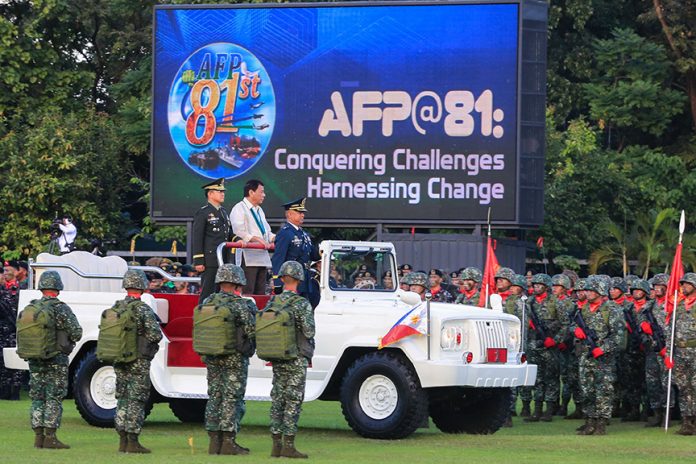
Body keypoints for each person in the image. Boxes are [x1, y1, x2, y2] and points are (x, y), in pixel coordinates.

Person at [16, 271, 82, 449]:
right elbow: (77, 332)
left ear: (42, 287)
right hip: (56, 359)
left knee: (38, 397)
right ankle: (51, 437)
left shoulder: (32, 308)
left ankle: (38, 438)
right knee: (53, 397)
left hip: (35, 358)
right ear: (58, 288)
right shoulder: (60, 308)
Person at [198, 264, 256, 455]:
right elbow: (251, 330)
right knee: (232, 398)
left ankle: (214, 443)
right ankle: (229, 442)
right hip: (234, 358)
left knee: (215, 396)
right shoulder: (240, 305)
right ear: (238, 282)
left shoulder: (207, 301)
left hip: (212, 356)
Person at [111, 270, 163, 453]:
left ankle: (122, 441)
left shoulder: (117, 307)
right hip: (138, 360)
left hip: (119, 358)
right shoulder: (142, 309)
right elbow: (156, 334)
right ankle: (132, 441)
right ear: (142, 287)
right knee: (136, 399)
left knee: (122, 398)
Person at [268, 261, 315, 458]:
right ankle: (288, 445)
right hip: (296, 357)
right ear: (298, 279)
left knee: (278, 398)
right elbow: (309, 331)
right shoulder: (302, 304)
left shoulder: (273, 302)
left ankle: (276, 444)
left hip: (278, 356)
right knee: (293, 400)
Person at [573, 276, 623, 435]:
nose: (587, 293)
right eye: (586, 290)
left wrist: (603, 349)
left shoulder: (612, 310)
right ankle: (589, 421)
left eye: (590, 290)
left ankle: (601, 423)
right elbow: (572, 325)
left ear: (600, 291)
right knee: (586, 390)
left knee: (604, 390)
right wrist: (576, 332)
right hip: (585, 356)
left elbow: (619, 337)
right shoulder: (583, 309)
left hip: (603, 358)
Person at [523, 273, 567, 423]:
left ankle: (548, 411)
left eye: (539, 284)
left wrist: (555, 340)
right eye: (534, 284)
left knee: (551, 379)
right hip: (532, 345)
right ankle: (536, 411)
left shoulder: (556, 303)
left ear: (546, 287)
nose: (536, 286)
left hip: (549, 347)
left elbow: (565, 325)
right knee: (536, 379)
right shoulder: (528, 303)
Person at [270, 197, 320, 307]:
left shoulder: (304, 234)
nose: (302, 215)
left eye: (302, 212)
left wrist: (321, 251)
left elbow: (312, 255)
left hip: (305, 280)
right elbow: (278, 258)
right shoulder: (285, 233)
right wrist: (277, 283)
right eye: (298, 212)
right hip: (291, 280)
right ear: (289, 214)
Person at [230, 179, 275, 295]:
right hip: (248, 257)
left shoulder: (260, 210)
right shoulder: (239, 208)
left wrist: (274, 238)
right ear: (251, 192)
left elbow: (267, 232)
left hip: (262, 257)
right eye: (261, 192)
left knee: (260, 292)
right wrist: (256, 239)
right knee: (248, 291)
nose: (264, 195)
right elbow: (238, 231)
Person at [192, 178, 233, 303]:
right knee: (208, 293)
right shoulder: (204, 212)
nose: (222, 194)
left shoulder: (223, 212)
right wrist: (198, 260)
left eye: (223, 191)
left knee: (221, 293)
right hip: (210, 260)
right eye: (219, 191)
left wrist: (239, 239)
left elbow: (228, 233)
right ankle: (202, 317)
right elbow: (197, 237)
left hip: (223, 259)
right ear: (210, 194)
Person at [666, 272, 696, 435]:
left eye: (686, 284)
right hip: (680, 353)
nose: (683, 287)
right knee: (683, 387)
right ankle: (686, 421)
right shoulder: (678, 307)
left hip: (695, 352)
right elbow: (670, 332)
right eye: (682, 284)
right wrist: (668, 355)